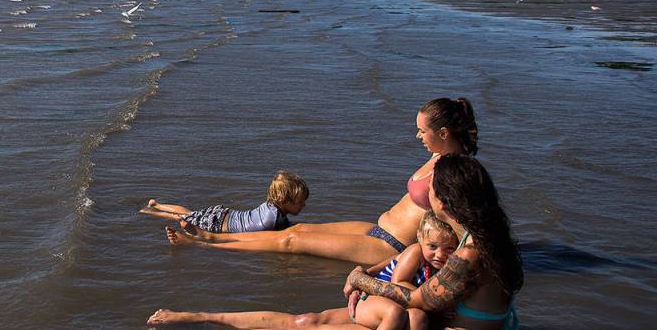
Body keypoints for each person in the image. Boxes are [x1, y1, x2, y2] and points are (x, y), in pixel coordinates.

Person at [146, 154, 523, 330]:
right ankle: (198, 316)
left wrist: (362, 280)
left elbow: (422, 301)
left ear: (445, 198)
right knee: (307, 319)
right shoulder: (485, 234)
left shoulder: (473, 249)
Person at [164, 98, 478, 265]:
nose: (418, 136)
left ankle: (208, 241)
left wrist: (464, 262)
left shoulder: (456, 172)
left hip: (389, 246)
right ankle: (210, 236)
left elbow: (466, 225)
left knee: (291, 242)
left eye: (423, 131)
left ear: (444, 133)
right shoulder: (439, 157)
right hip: (378, 227)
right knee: (295, 229)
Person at [352, 211, 458, 330]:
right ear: (420, 237)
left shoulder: (441, 264)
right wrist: (433, 302)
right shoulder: (416, 252)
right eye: (433, 246)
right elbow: (398, 282)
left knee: (419, 318)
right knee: (394, 313)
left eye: (449, 248)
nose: (440, 255)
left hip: (395, 305)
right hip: (370, 299)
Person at [139, 170, 308, 233]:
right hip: (217, 224)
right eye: (300, 202)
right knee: (182, 218)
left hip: (223, 213)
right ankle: (148, 212)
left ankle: (157, 205)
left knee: (189, 213)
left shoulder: (270, 205)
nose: (303, 205)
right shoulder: (274, 220)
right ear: (283, 200)